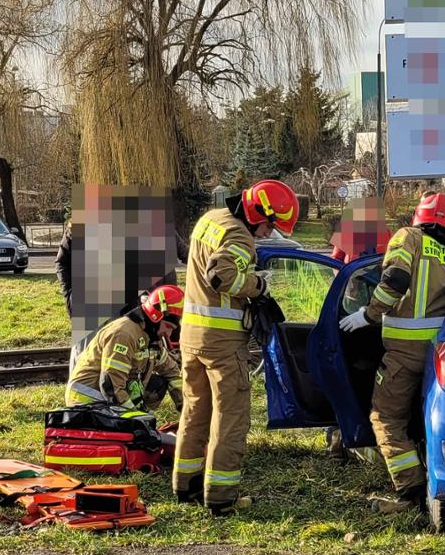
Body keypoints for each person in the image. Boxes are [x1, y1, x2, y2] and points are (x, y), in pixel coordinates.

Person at [173, 179, 300, 514]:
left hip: (191, 337)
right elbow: (221, 275)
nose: (265, 234)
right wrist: (257, 285)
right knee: (231, 418)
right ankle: (221, 498)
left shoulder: (210, 220)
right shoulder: (239, 235)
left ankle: (185, 486)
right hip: (222, 342)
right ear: (256, 213)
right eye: (268, 226)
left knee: (195, 411)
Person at [338, 192, 445, 513]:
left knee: (385, 418)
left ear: (419, 218)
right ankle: (437, 483)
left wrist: (368, 314)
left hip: (405, 352)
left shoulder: (408, 237)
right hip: (444, 354)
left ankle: (410, 492)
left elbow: (395, 279)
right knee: (426, 419)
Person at [65, 285, 185, 411]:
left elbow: (171, 371)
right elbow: (111, 386)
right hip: (88, 401)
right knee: (141, 425)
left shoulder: (150, 337)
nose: (168, 334)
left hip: (107, 397)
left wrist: (186, 406)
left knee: (157, 384)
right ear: (155, 317)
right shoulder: (123, 335)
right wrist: (137, 417)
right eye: (168, 326)